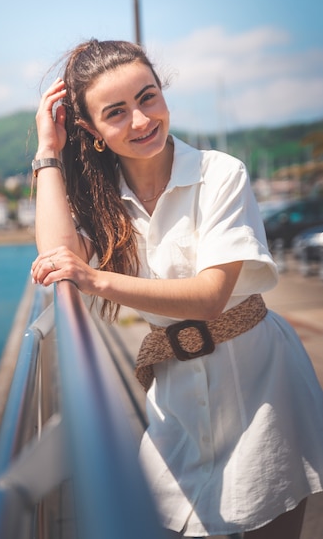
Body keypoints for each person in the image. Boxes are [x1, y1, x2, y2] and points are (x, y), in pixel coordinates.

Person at [30, 39, 323, 538]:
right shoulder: (104, 205)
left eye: (148, 97)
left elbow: (210, 295)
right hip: (176, 399)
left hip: (262, 386)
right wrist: (47, 151)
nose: (141, 121)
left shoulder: (219, 173)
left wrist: (96, 279)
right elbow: (60, 256)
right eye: (116, 112)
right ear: (92, 130)